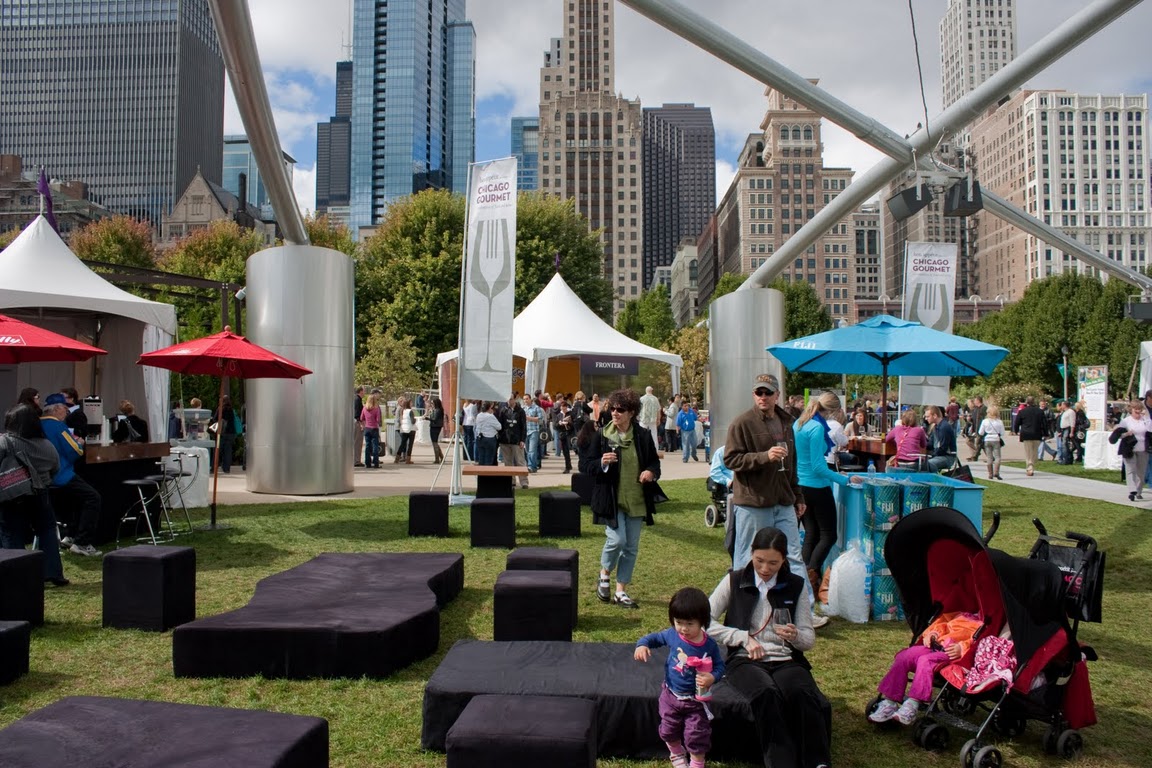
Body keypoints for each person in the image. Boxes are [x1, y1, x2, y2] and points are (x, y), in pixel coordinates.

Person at [707, 526, 832, 768]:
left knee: (803, 694)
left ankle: (818, 762)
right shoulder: (734, 580)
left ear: (784, 559)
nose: (765, 569)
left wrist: (795, 635)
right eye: (759, 560)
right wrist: (742, 637)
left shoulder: (796, 586)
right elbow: (704, 621)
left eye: (773, 563)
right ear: (751, 553)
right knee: (766, 694)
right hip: (744, 659)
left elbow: (808, 640)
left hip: (786, 659)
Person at [581, 388, 662, 610]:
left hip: (636, 499)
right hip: (611, 499)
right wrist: (601, 462)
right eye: (613, 409)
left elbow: (654, 463)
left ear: (632, 412)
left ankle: (620, 591)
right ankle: (604, 573)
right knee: (617, 540)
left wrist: (650, 472)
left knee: (631, 547)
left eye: (620, 409)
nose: (615, 413)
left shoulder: (642, 435)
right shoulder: (602, 435)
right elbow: (585, 465)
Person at [635, 587, 726, 768]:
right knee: (668, 730)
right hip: (670, 696)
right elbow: (654, 638)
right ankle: (676, 753)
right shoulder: (673, 635)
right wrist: (642, 645)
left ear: (702, 621)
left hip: (696, 701)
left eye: (690, 624)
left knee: (697, 735)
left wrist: (712, 677)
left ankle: (697, 763)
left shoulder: (709, 645)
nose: (683, 629)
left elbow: (720, 666)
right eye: (678, 622)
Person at [793, 392, 862, 600]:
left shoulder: (799, 424)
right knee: (829, 535)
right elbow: (818, 466)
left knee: (811, 533)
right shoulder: (816, 428)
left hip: (802, 485)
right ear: (832, 411)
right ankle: (810, 576)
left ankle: (802, 580)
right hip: (817, 486)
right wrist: (844, 479)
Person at [868, 610, 982, 725]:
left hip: (951, 654)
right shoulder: (959, 614)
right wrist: (932, 633)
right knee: (904, 657)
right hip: (934, 646)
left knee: (925, 661)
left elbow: (979, 642)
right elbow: (941, 624)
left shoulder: (983, 625)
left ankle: (913, 703)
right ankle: (889, 701)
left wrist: (962, 647)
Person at [0, 404, 68, 585]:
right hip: (40, 493)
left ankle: (16, 574)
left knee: (11, 532)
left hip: (12, 494)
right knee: (47, 531)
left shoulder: (5, 442)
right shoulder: (47, 445)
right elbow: (55, 468)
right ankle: (53, 572)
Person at [40, 398, 102, 557]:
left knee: (75, 500)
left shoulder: (38, 424)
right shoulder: (59, 426)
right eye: (64, 408)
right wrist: (80, 443)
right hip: (62, 474)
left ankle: (70, 535)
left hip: (43, 477)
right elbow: (75, 450)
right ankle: (82, 542)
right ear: (56, 409)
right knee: (93, 497)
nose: (67, 412)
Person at [1114, 400, 1151, 502]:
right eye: (1136, 409)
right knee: (1130, 470)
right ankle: (1132, 491)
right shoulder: (1125, 421)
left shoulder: (1145, 420)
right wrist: (1126, 434)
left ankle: (1138, 492)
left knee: (1141, 474)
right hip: (1129, 449)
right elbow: (1118, 435)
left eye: (1139, 409)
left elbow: (1150, 429)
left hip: (1143, 450)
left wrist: (1146, 417)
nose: (1138, 411)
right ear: (1131, 410)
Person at [499, 395, 529, 488]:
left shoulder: (520, 411)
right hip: (505, 440)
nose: (509, 401)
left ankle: (524, 482)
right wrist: (501, 438)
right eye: (507, 399)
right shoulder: (503, 410)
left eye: (511, 399)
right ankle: (511, 480)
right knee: (508, 462)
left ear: (515, 399)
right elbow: (500, 425)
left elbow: (524, 426)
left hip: (517, 440)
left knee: (520, 461)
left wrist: (522, 440)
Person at [1013, 396, 1046, 477]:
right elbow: (1044, 423)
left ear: (1026, 402)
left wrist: (1016, 431)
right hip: (1037, 433)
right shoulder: (1040, 412)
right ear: (1034, 402)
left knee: (1028, 452)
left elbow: (1017, 422)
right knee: (1035, 452)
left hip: (1026, 434)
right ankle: (1031, 466)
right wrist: (1046, 433)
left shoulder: (1022, 411)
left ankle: (1030, 467)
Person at [923, 405, 957, 473]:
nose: (926, 419)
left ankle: (935, 478)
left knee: (928, 464)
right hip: (939, 455)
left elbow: (942, 449)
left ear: (935, 416)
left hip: (947, 457)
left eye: (928, 416)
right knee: (919, 463)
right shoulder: (936, 427)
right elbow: (930, 444)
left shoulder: (944, 427)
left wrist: (931, 455)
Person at [978, 404, 1006, 480]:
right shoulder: (999, 422)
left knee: (989, 457)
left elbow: (980, 432)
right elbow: (1002, 433)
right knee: (997, 457)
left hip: (987, 439)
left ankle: (990, 474)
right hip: (996, 439)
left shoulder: (985, 421)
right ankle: (996, 472)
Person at [473, 401, 502, 466]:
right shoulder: (490, 416)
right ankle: (487, 472)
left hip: (480, 438)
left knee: (481, 458)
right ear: (489, 408)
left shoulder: (479, 415)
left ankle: (481, 471)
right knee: (488, 459)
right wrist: (492, 414)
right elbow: (499, 427)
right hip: (489, 438)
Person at [360, 392, 383, 468]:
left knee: (367, 445)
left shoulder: (364, 408)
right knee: (375, 445)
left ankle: (367, 463)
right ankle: (376, 463)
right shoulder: (376, 409)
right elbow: (378, 420)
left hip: (367, 428)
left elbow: (361, 418)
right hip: (374, 428)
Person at [553, 397, 575, 473]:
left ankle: (569, 466)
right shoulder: (559, 415)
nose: (563, 410)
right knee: (565, 452)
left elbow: (574, 424)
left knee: (570, 450)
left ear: (567, 407)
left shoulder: (571, 414)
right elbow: (555, 425)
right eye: (562, 408)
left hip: (570, 434)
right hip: (562, 434)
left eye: (565, 408)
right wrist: (560, 424)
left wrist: (568, 423)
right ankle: (568, 466)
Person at [522, 394, 543, 473]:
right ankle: (531, 466)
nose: (525, 401)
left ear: (530, 399)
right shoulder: (523, 408)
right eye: (524, 399)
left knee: (532, 450)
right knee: (527, 450)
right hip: (525, 431)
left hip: (534, 431)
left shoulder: (536, 408)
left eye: (527, 399)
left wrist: (529, 418)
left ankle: (531, 466)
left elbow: (540, 419)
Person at [217, 396, 237, 472]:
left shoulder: (220, 409)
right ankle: (227, 468)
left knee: (219, 449)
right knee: (228, 450)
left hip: (222, 432)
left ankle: (215, 466)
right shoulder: (231, 409)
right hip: (231, 432)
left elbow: (215, 418)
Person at [395, 397, 416, 464]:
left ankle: (397, 458)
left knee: (402, 444)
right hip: (411, 429)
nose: (412, 404)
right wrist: (415, 420)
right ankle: (408, 459)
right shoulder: (410, 411)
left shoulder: (402, 410)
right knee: (410, 445)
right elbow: (412, 421)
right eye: (411, 403)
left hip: (404, 429)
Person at [967, 396, 987, 461]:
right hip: (975, 428)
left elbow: (985, 418)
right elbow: (973, 418)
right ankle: (975, 455)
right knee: (978, 443)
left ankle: (975, 457)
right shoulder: (975, 409)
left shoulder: (984, 408)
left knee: (979, 443)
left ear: (978, 401)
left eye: (975, 401)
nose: (974, 402)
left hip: (981, 428)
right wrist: (970, 419)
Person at [426, 396, 445, 464]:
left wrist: (427, 418)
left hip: (435, 427)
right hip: (436, 426)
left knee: (434, 442)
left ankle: (437, 459)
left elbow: (434, 419)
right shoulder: (438, 410)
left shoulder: (437, 410)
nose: (431, 404)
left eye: (432, 403)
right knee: (435, 442)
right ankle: (441, 457)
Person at [353, 386, 365, 467]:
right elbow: (357, 413)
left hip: (356, 422)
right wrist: (360, 422)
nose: (364, 393)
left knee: (356, 441)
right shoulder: (358, 400)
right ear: (360, 391)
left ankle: (355, 459)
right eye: (364, 391)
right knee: (358, 442)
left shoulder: (356, 399)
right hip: (357, 422)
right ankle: (356, 460)